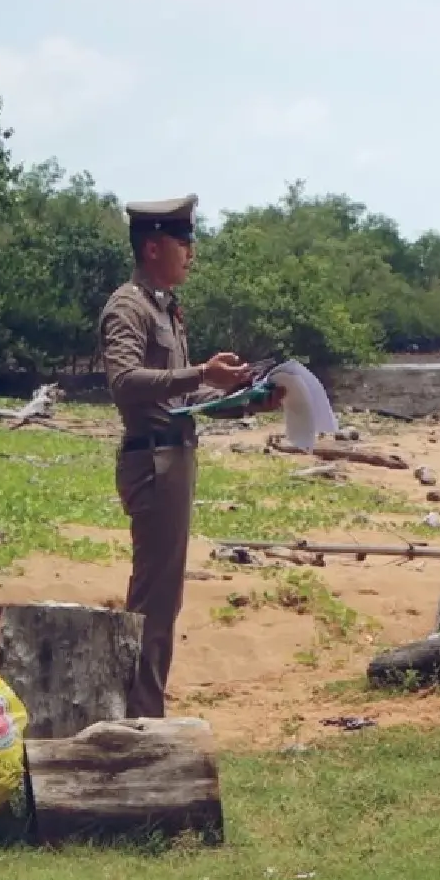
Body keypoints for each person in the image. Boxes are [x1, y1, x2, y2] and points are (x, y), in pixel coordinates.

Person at [99, 194, 282, 717]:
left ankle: (142, 712)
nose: (191, 252)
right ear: (153, 246)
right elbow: (126, 382)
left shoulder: (165, 308)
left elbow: (183, 400)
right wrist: (203, 372)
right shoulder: (128, 307)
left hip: (173, 459)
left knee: (163, 601)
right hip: (152, 463)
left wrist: (248, 399)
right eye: (183, 242)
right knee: (154, 603)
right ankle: (140, 722)